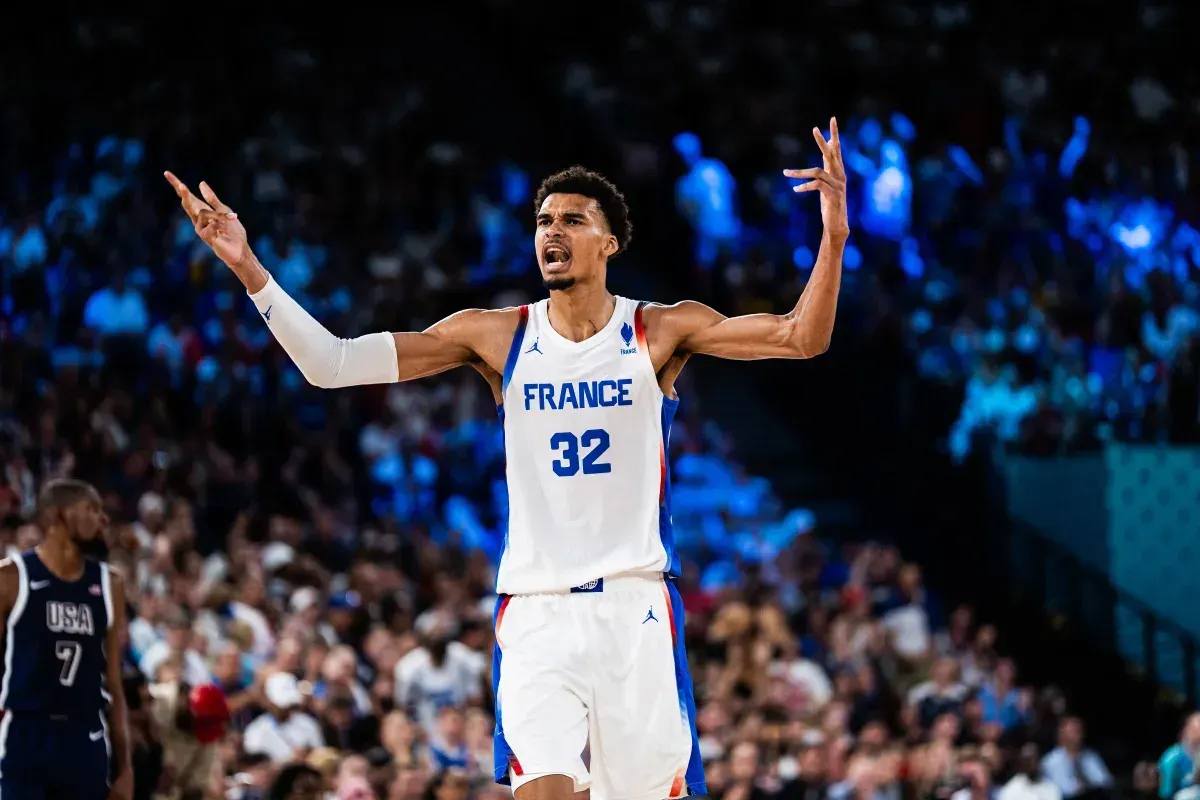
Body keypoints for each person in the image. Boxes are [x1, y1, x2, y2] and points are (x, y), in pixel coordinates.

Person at [166, 117, 849, 800]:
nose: (551, 231)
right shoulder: (497, 336)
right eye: (543, 221)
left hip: (634, 608)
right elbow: (332, 363)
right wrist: (249, 269)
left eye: (572, 220)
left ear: (608, 242)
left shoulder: (659, 327)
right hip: (536, 608)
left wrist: (836, 234)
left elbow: (800, 338)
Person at [0, 478, 134, 799]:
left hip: (84, 733)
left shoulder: (110, 585)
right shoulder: (10, 578)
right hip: (26, 732)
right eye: (91, 509)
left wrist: (125, 767)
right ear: (58, 516)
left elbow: (113, 685)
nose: (103, 519)